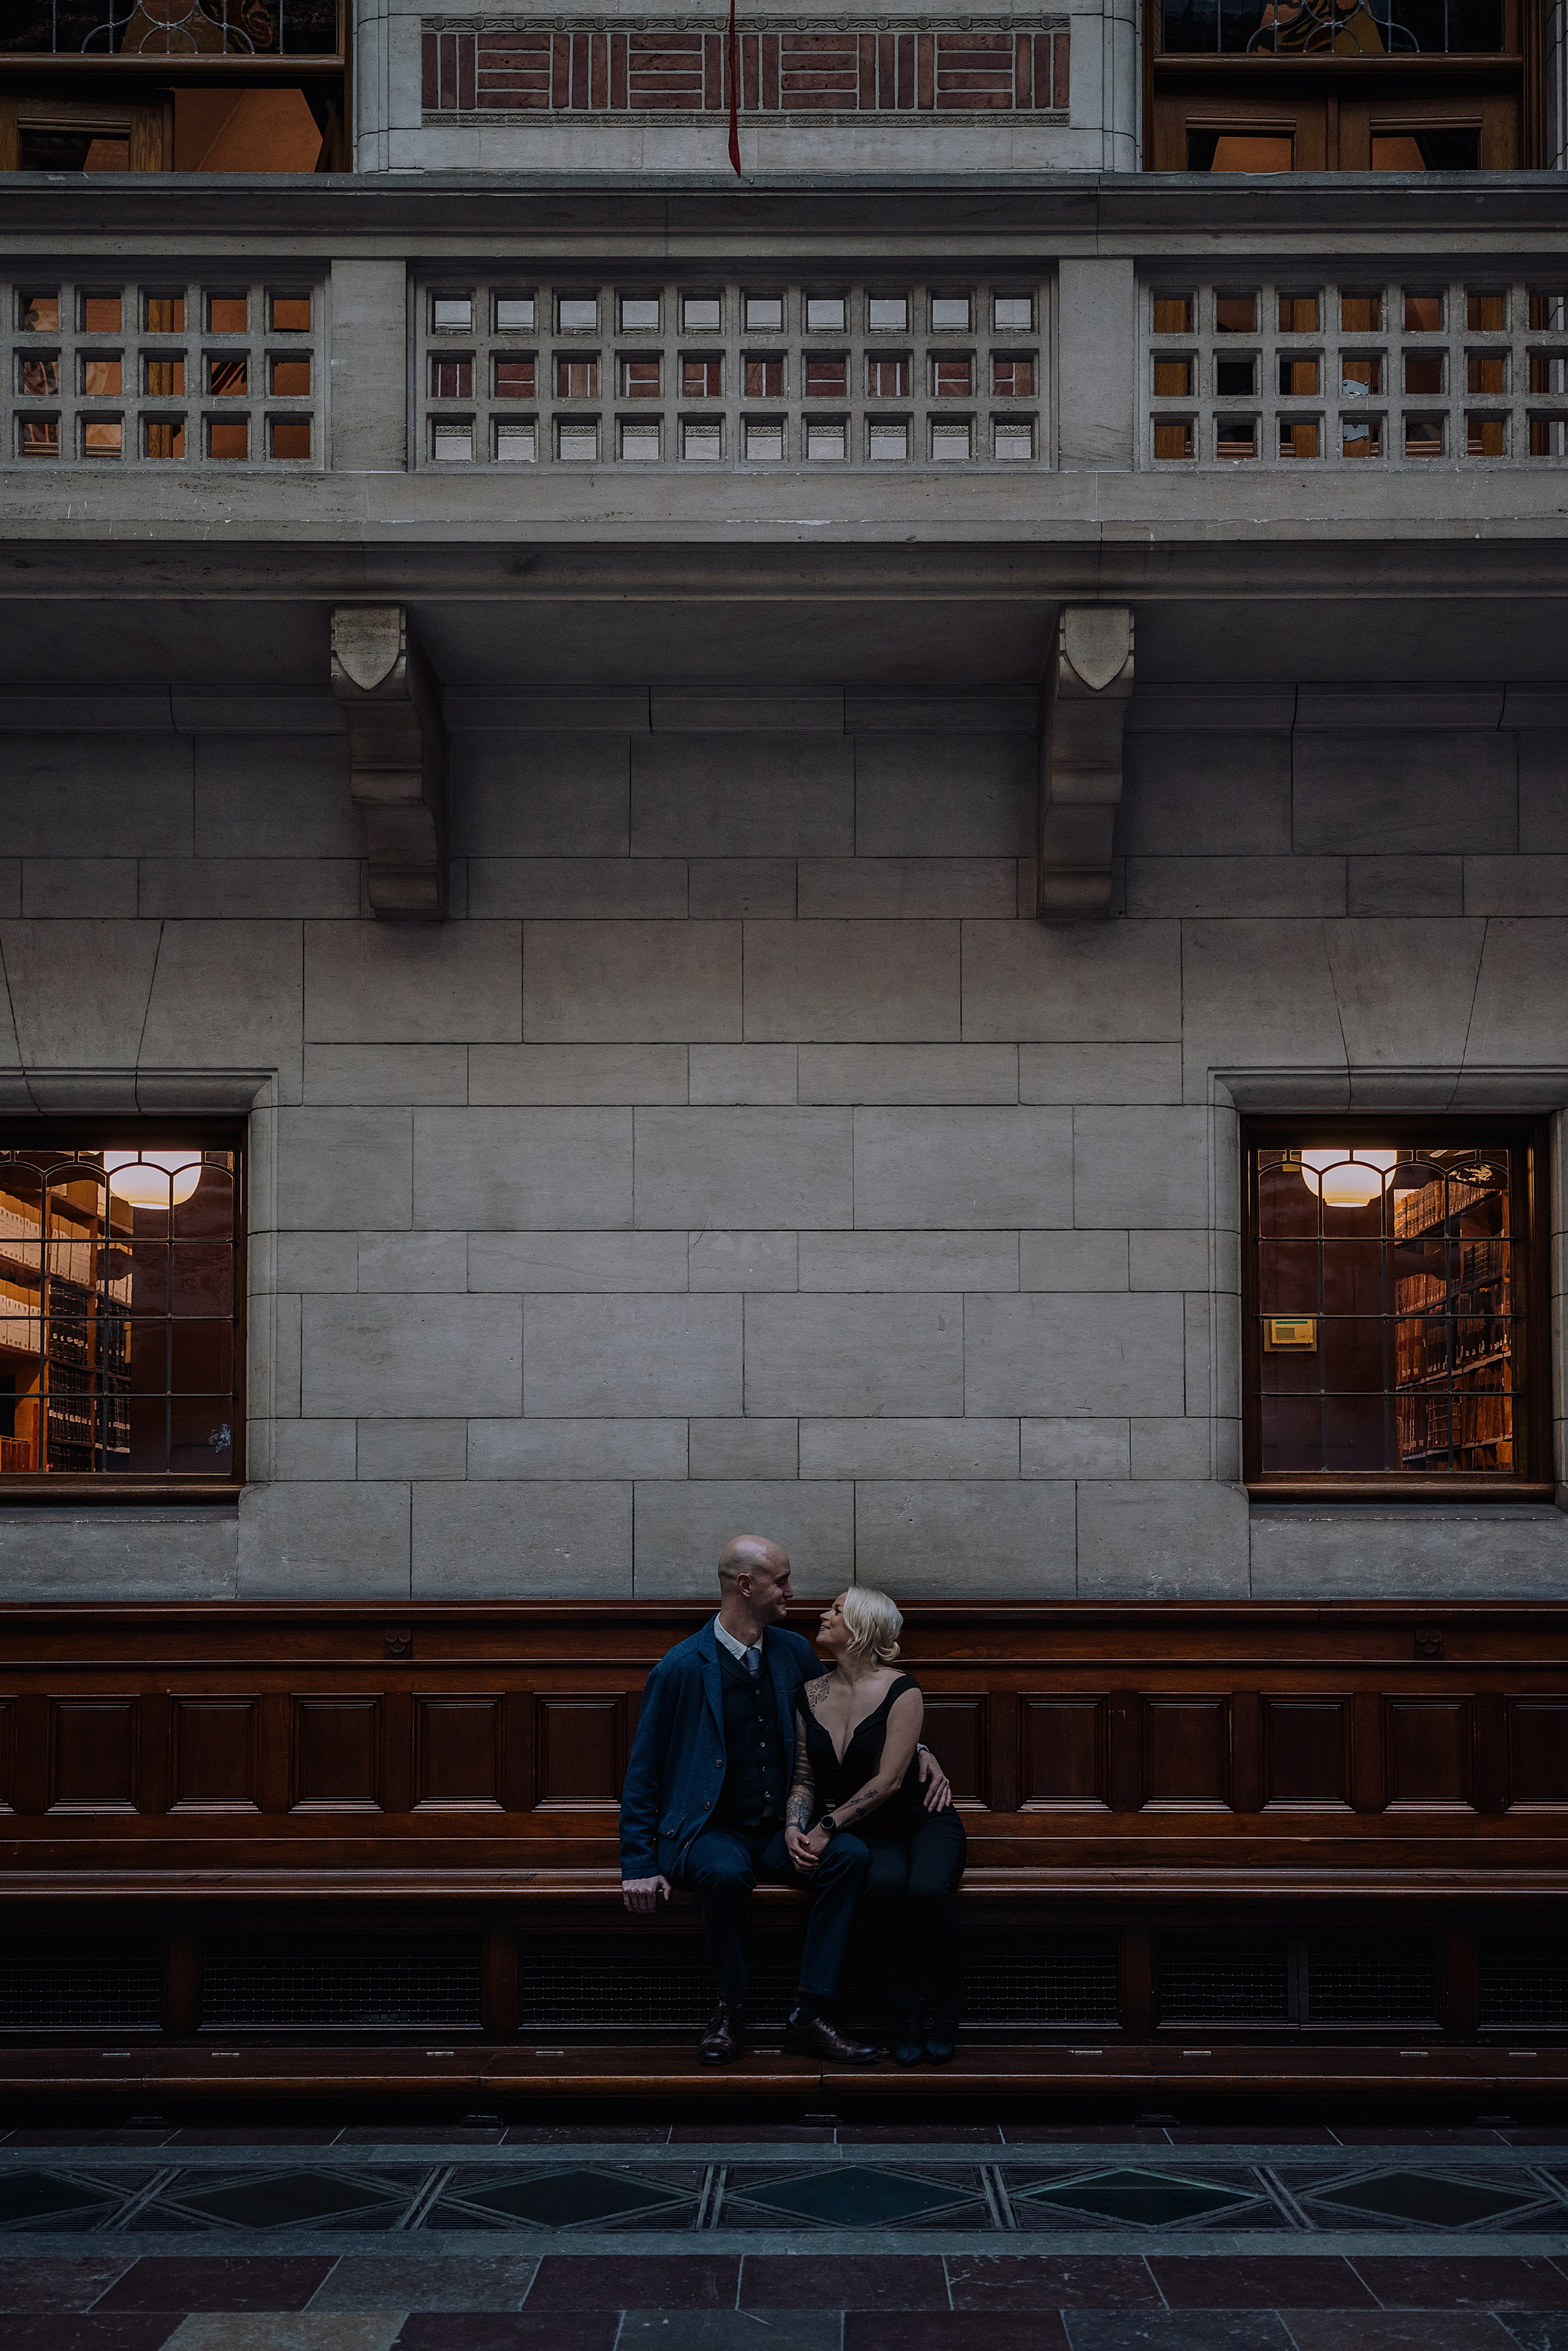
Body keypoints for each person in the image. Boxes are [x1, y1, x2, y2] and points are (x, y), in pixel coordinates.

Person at [619, 1535, 951, 2067]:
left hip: (779, 1829)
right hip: (710, 1831)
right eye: (783, 1581)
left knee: (851, 1856)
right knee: (725, 1874)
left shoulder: (793, 1652)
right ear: (746, 1586)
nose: (792, 1593)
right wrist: (637, 1861)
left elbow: (848, 1713)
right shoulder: (681, 1666)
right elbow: (643, 1771)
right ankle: (730, 2008)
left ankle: (810, 2011)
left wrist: (917, 1747)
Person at [786, 1588, 967, 2066]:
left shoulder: (900, 1687)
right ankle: (906, 2017)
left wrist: (828, 1824)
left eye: (837, 1610)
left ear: (863, 1627)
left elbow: (888, 1782)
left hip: (922, 1819)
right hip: (872, 1832)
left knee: (927, 1890)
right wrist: (794, 1824)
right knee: (884, 1887)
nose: (823, 1615)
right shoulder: (814, 1691)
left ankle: (947, 2015)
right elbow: (804, 1775)